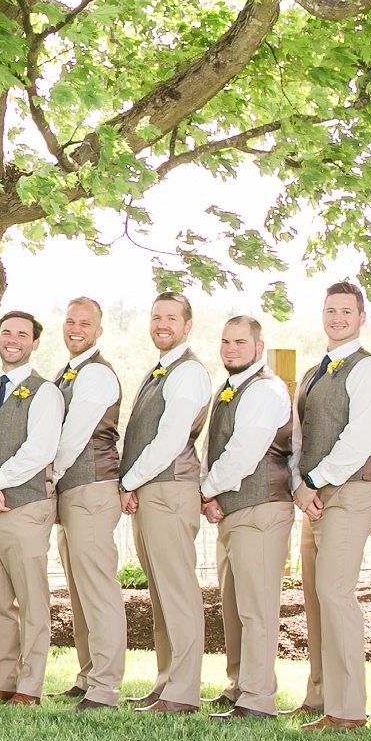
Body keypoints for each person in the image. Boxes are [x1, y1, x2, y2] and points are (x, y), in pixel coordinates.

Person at [290, 279, 371, 730]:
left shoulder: (369, 371)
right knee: (316, 597)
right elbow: (299, 438)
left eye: (346, 312)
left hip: (349, 492)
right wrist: (299, 483)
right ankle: (321, 696)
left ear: (361, 319)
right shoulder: (313, 372)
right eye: (331, 311)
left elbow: (360, 440)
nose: (337, 318)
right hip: (313, 495)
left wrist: (313, 480)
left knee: (336, 594)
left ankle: (349, 709)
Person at [118, 292, 212, 714]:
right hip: (151, 490)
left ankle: (184, 692)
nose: (162, 324)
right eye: (156, 316)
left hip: (169, 489)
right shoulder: (160, 371)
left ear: (187, 326)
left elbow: (171, 439)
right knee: (160, 592)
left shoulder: (187, 372)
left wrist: (129, 481)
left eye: (172, 318)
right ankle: (166, 680)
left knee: (177, 592)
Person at [199, 316, 294, 720]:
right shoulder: (230, 388)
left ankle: (258, 698)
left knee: (256, 606)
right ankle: (239, 685)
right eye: (225, 342)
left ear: (259, 346)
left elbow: (243, 452)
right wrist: (212, 492)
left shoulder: (266, 390)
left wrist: (206, 491)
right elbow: (212, 448)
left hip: (261, 507)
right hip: (235, 508)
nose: (231, 348)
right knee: (234, 604)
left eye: (240, 341)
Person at [0, 310, 63, 705]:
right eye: (6, 332)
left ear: (35, 343)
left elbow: (39, 450)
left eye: (22, 335)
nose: (13, 339)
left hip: (24, 508)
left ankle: (29, 687)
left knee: (31, 599)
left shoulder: (46, 392)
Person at [49, 297, 125, 711]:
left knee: (98, 588)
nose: (75, 328)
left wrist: (47, 480)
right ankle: (88, 675)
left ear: (99, 331)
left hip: (91, 487)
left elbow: (74, 436)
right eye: (70, 321)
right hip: (72, 491)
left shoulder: (95, 374)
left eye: (85, 323)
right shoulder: (69, 372)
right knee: (79, 590)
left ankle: (106, 688)